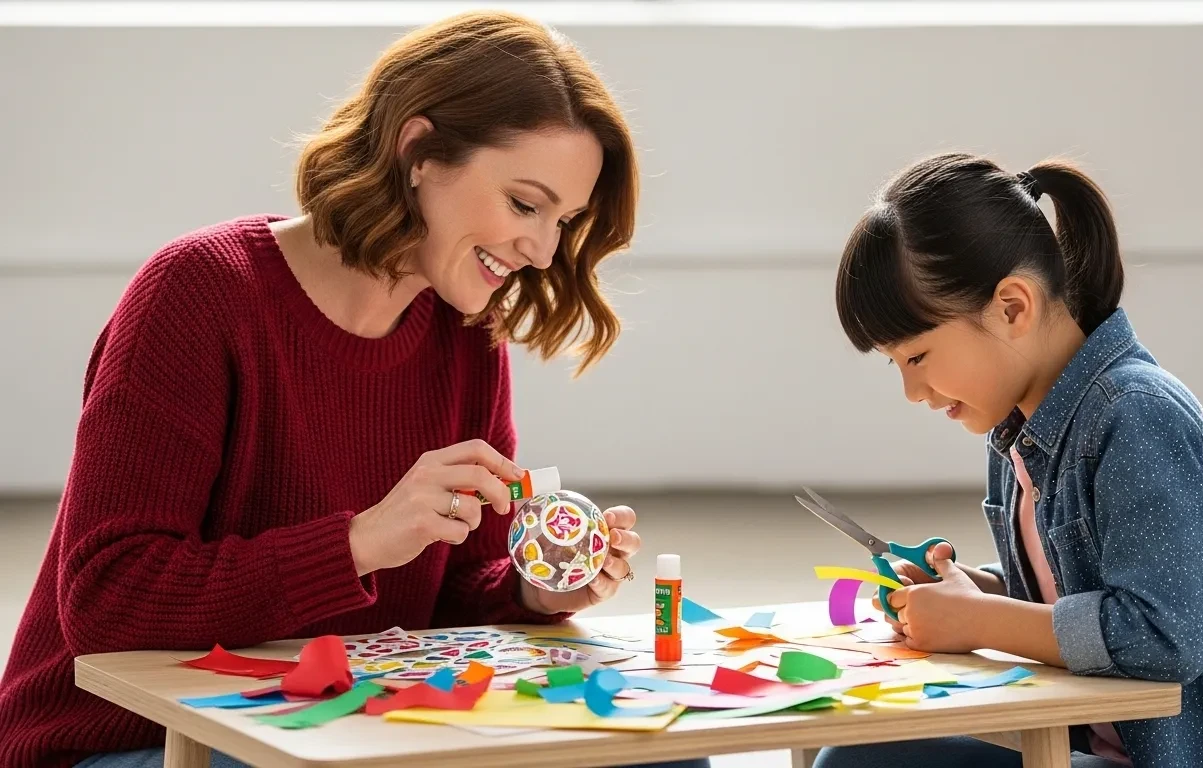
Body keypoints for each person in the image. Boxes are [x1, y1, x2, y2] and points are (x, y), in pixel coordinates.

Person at [0, 12, 707, 768]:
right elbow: (108, 600)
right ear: (419, 151)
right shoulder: (200, 293)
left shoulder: (463, 335)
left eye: (562, 221)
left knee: (660, 757)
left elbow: (456, 589)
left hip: (340, 735)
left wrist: (535, 593)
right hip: (126, 742)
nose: (541, 250)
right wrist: (358, 542)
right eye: (525, 205)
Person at [814, 153, 1203, 767]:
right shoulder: (1018, 430)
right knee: (862, 752)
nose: (912, 391)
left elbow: (1165, 634)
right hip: (1114, 751)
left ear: (1013, 308)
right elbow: (1081, 588)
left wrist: (980, 621)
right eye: (895, 364)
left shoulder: (1136, 415)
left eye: (918, 356)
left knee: (859, 765)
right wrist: (974, 591)